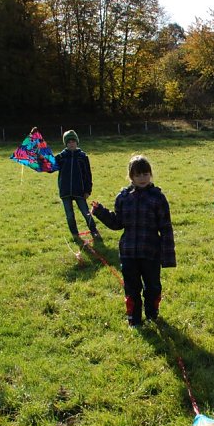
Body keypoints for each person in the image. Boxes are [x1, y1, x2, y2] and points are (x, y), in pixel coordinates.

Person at [92, 155, 176, 326]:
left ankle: (152, 314)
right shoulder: (123, 198)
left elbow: (166, 228)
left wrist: (167, 257)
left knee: (152, 287)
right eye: (138, 175)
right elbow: (117, 223)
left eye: (145, 174)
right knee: (132, 288)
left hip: (151, 252)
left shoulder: (158, 198)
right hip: (129, 253)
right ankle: (134, 319)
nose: (142, 178)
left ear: (150, 174)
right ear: (131, 177)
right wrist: (100, 212)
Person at [56, 129, 101, 242]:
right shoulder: (61, 157)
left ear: (77, 142)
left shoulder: (82, 157)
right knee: (69, 215)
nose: (71, 144)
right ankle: (75, 234)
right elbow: (50, 167)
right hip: (65, 191)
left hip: (79, 191)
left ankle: (94, 231)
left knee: (86, 213)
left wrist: (87, 190)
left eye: (73, 141)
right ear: (65, 144)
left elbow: (88, 175)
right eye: (69, 142)